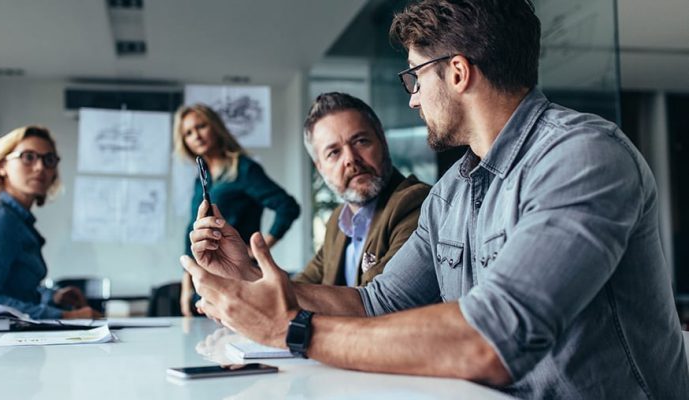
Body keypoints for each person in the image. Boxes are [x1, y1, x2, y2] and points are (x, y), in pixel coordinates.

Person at [182, 0, 689, 398]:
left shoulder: (582, 156)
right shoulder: (451, 193)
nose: (412, 96)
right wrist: (250, 275)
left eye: (415, 76)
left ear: (458, 72)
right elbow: (375, 303)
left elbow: (492, 338)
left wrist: (295, 331)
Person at [0, 126, 99, 319]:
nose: (40, 167)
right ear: (2, 166)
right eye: (28, 157)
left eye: (49, 160)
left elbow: (13, 291)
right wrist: (65, 316)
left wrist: (53, 297)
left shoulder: (15, 219)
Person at [173, 104, 300, 316]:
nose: (196, 136)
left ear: (215, 127)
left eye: (201, 126)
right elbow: (192, 230)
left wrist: (257, 250)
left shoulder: (244, 169)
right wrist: (186, 286)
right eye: (188, 133)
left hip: (235, 278)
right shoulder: (201, 179)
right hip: (203, 283)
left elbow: (287, 207)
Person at [292, 92, 430, 287]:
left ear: (382, 140)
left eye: (360, 141)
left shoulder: (415, 203)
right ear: (320, 167)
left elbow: (377, 300)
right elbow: (302, 287)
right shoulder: (338, 221)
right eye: (334, 152)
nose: (350, 159)